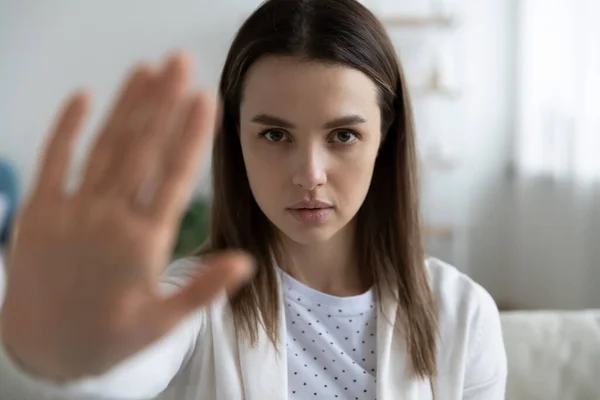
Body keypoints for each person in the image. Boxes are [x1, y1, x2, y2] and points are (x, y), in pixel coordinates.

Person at [0, 0, 507, 399]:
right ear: (236, 140)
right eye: (275, 136)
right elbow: (123, 370)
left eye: (343, 136)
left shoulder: (463, 314)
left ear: (385, 139)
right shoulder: (193, 301)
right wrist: (80, 355)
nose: (309, 175)